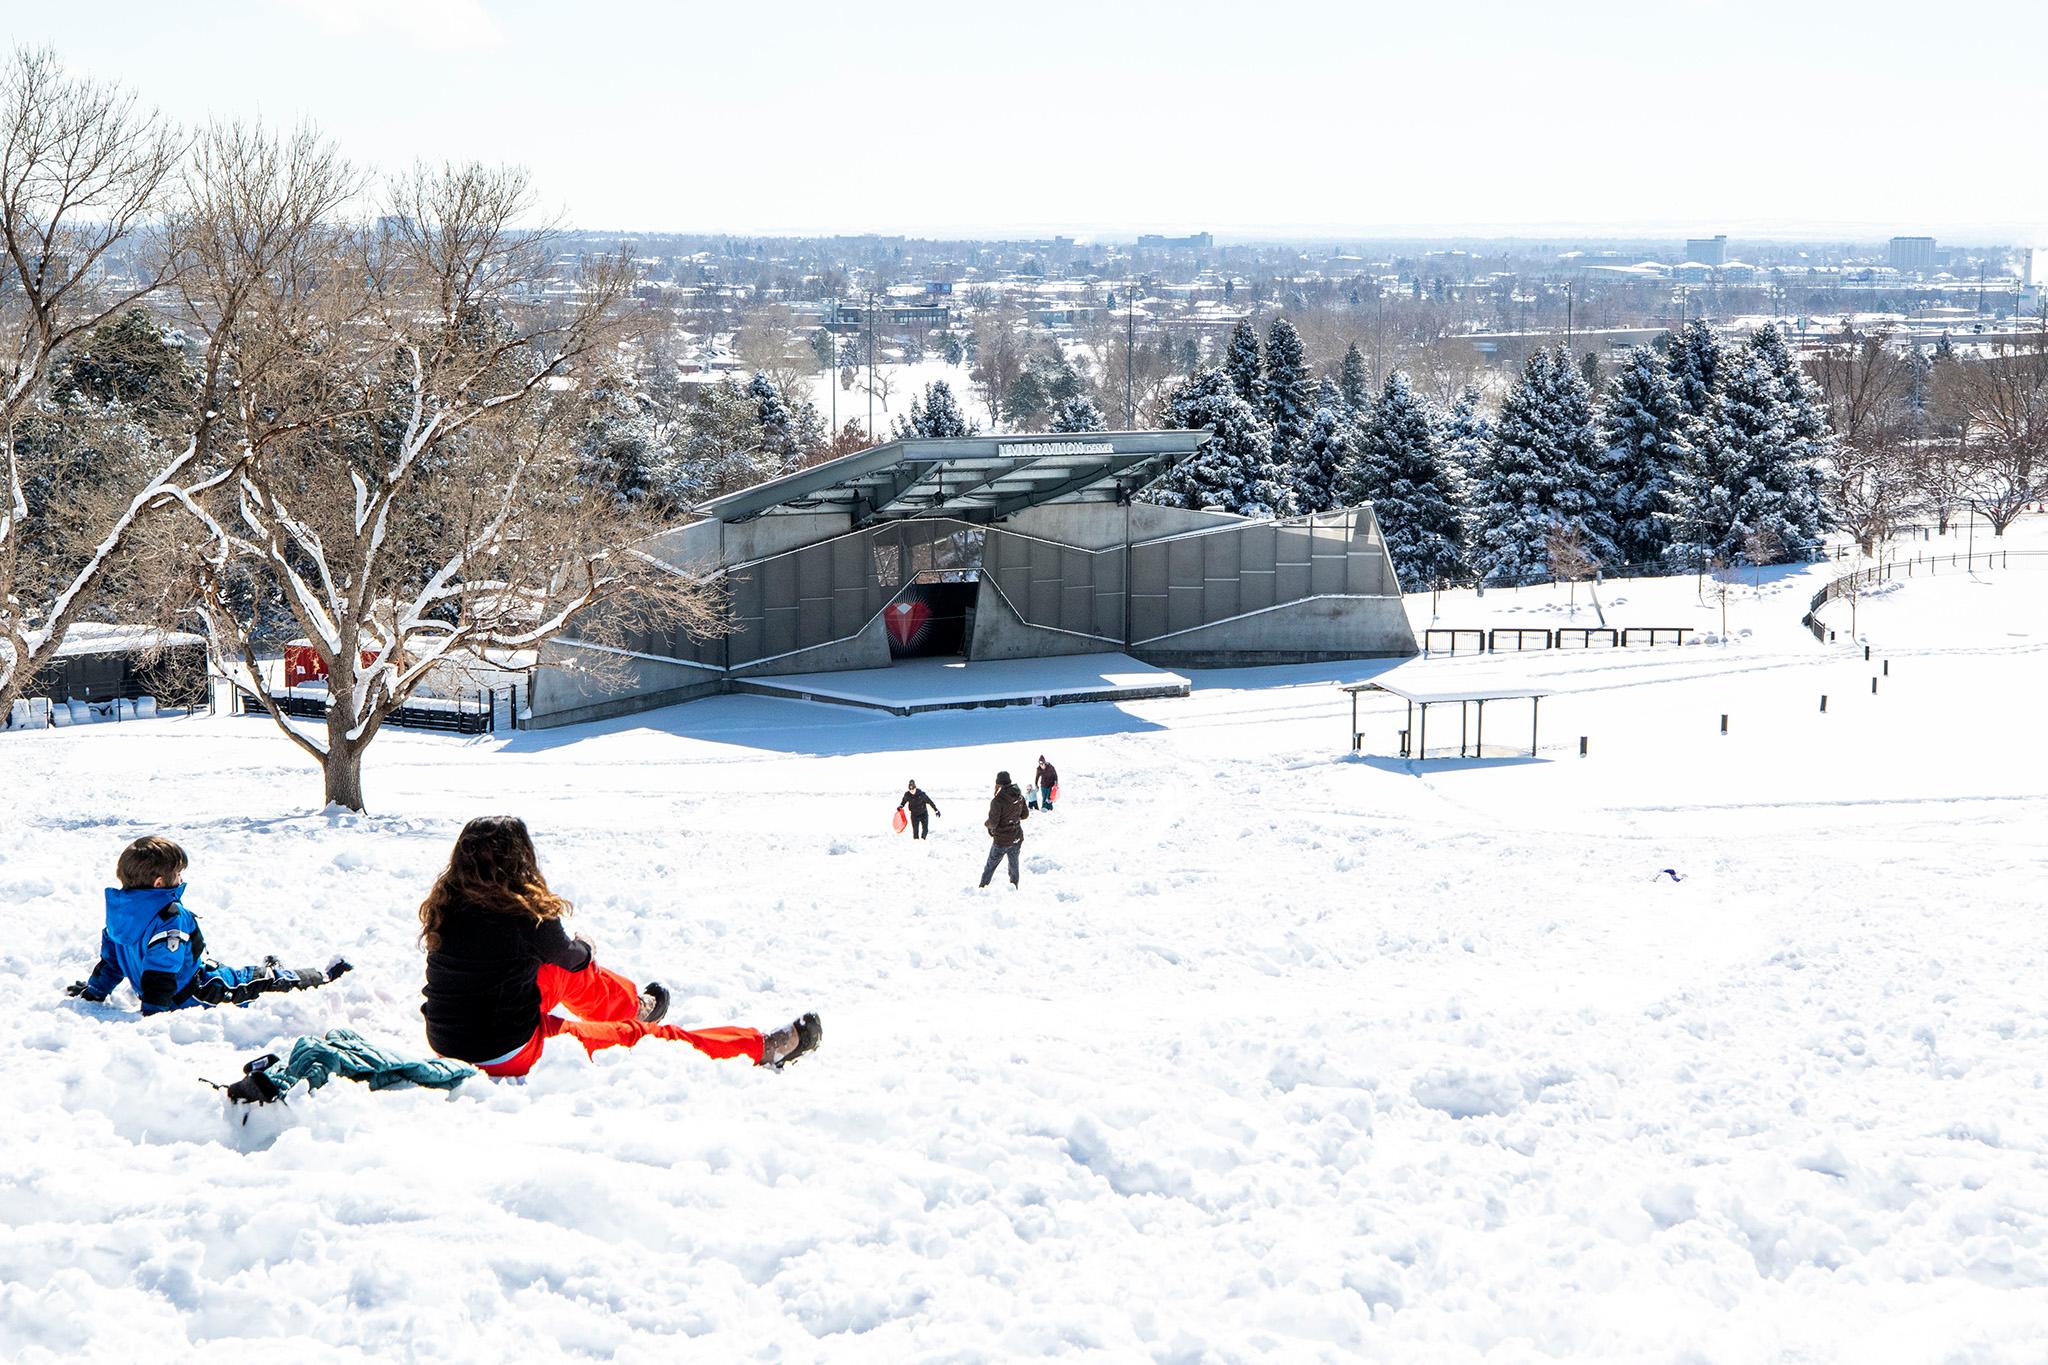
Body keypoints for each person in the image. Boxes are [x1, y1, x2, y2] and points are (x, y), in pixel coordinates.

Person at [419, 815, 820, 1078]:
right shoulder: (526, 915)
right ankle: (759, 1048)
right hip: (505, 1051)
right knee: (644, 1040)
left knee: (558, 972)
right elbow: (573, 958)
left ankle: (631, 1006)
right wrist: (586, 946)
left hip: (449, 1036)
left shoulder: (447, 904)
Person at [66, 836, 351, 1014]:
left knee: (242, 973)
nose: (181, 880)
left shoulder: (120, 914)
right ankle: (319, 977)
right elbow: (161, 970)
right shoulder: (169, 916)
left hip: (180, 984)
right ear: (159, 883)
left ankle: (274, 970)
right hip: (195, 991)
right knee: (254, 982)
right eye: (178, 874)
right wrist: (154, 1012)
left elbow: (112, 963)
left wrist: (95, 991)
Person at [978, 771, 1029, 889]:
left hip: (1002, 840)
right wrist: (1013, 815)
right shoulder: (1019, 796)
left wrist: (987, 824)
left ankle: (982, 888)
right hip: (1017, 836)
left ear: (999, 784)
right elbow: (1025, 815)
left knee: (990, 866)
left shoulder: (997, 800)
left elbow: (993, 823)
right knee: (1014, 865)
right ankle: (1014, 887)